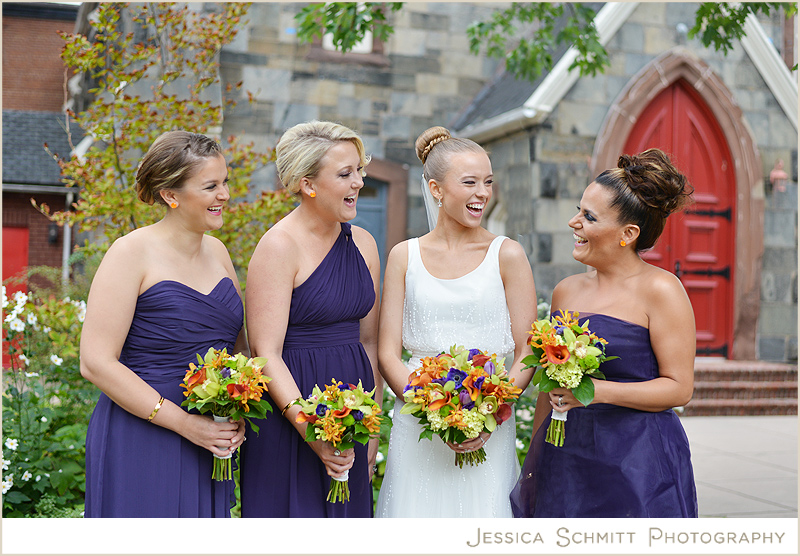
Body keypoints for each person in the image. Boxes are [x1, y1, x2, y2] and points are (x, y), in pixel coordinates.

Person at [510, 148, 698, 518]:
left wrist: (594, 392)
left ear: (627, 234)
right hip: (568, 457)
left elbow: (679, 388)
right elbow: (550, 387)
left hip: (639, 463)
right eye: (579, 210)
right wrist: (537, 457)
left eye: (588, 216)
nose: (573, 222)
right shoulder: (567, 290)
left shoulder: (662, 290)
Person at [82, 131, 247, 517]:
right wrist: (185, 424)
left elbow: (238, 347)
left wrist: (238, 404)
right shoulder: (130, 253)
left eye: (225, 182)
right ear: (172, 196)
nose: (224, 194)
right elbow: (95, 361)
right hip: (143, 432)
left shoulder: (219, 252)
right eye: (210, 186)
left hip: (211, 436)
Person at [375, 126, 537, 517]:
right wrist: (434, 412)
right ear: (436, 189)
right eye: (470, 182)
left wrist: (486, 417)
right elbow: (387, 354)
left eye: (488, 182)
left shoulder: (508, 255)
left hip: (490, 426)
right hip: (418, 425)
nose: (483, 192)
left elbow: (527, 350)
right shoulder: (403, 256)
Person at [240, 121, 381, 518]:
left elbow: (369, 342)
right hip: (293, 417)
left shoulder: (365, 244)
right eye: (345, 174)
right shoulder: (278, 246)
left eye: (359, 170)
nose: (358, 183)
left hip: (352, 416)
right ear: (308, 184)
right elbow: (265, 352)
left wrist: (371, 425)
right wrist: (313, 432)